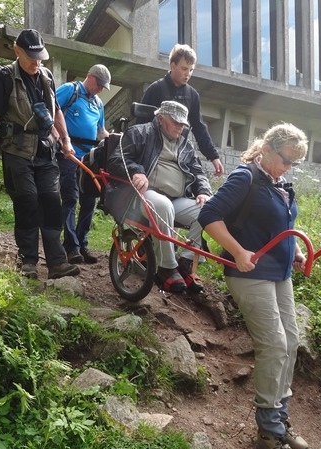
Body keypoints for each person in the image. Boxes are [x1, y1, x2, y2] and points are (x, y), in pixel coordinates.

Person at [198, 123, 309, 449]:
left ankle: (280, 419)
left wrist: (293, 252)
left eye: (295, 163)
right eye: (287, 160)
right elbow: (208, 216)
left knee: (291, 342)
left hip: (279, 273)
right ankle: (268, 434)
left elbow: (276, 227)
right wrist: (238, 250)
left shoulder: (280, 183)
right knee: (274, 344)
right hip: (249, 273)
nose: (289, 168)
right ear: (268, 150)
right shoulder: (245, 177)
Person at [0, 29, 80, 281]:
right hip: (17, 151)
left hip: (46, 151)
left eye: (40, 57)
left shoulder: (46, 76)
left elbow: (56, 113)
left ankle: (57, 263)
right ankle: (28, 262)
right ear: (17, 51)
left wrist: (66, 140)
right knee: (28, 201)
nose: (37, 62)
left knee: (52, 201)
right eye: (32, 57)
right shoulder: (4, 77)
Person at [105, 100, 212, 293]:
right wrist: (136, 170)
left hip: (177, 199)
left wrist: (203, 191)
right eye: (176, 122)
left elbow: (198, 173)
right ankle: (166, 267)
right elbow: (116, 159)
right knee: (163, 206)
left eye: (183, 124)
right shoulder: (139, 133)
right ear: (161, 118)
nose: (181, 127)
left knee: (209, 209)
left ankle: (185, 262)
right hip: (143, 195)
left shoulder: (186, 145)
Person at [138, 44, 224, 177]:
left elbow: (199, 127)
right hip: (154, 157)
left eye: (191, 70)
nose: (188, 74)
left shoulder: (193, 95)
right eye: (184, 68)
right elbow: (141, 126)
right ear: (173, 66)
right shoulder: (155, 89)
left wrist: (213, 156)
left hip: (180, 156)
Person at [56, 64, 111, 264]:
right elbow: (52, 112)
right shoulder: (69, 91)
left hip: (90, 159)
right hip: (69, 154)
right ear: (89, 76)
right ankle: (71, 247)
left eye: (103, 87)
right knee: (70, 198)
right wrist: (61, 141)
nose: (100, 89)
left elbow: (101, 130)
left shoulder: (98, 103)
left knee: (90, 201)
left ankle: (81, 242)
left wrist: (113, 138)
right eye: (99, 84)